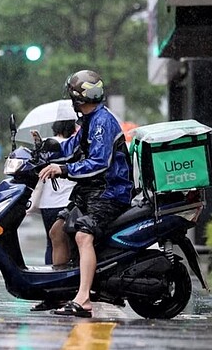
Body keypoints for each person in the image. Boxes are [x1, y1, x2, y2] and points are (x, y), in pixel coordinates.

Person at [35, 70, 134, 317]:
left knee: (83, 236)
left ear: (79, 99)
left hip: (111, 192)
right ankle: (60, 292)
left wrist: (64, 169)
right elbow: (71, 146)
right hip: (91, 192)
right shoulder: (89, 121)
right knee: (57, 231)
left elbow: (99, 163)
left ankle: (83, 300)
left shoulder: (103, 122)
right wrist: (46, 148)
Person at [27, 120, 77, 268]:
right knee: (67, 241)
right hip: (67, 202)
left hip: (47, 203)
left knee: (51, 242)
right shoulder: (73, 146)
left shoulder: (46, 145)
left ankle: (49, 270)